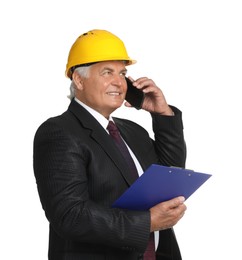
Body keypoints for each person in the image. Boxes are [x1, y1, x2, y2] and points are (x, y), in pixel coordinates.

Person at [33, 29, 187, 260]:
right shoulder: (59, 132)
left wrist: (162, 114)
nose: (119, 82)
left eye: (122, 72)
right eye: (107, 72)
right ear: (78, 79)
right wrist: (147, 223)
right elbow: (70, 215)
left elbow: (170, 176)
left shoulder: (132, 131)